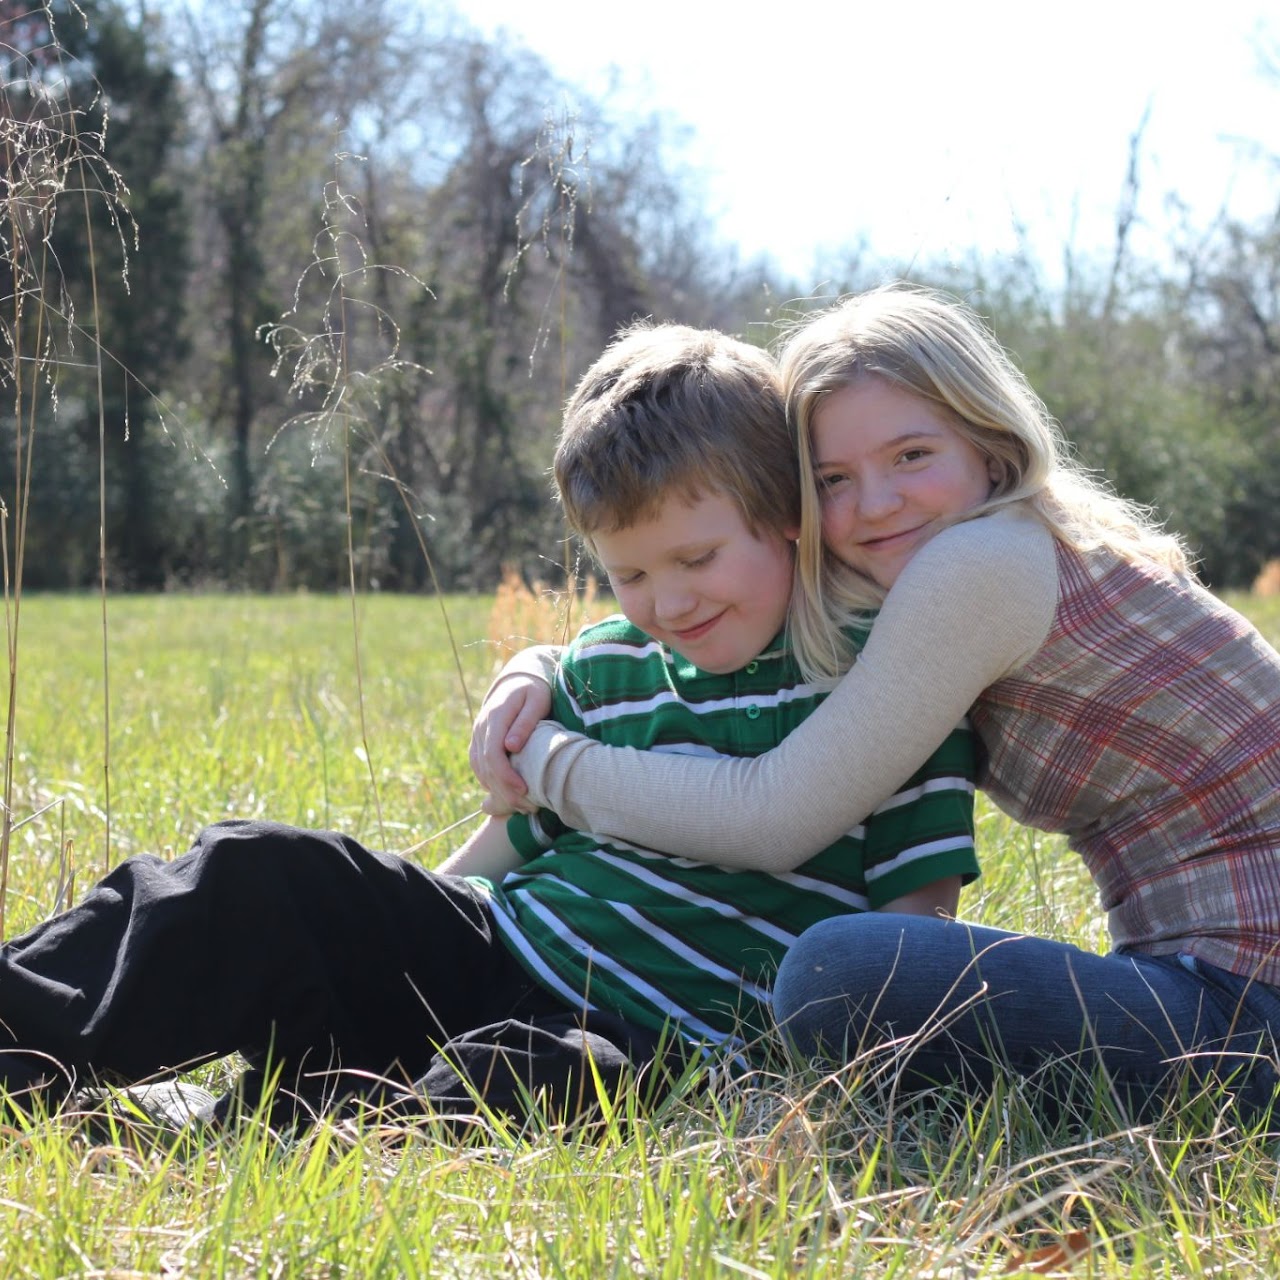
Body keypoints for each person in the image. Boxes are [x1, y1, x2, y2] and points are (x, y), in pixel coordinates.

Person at [0, 320, 977, 1130]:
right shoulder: (605, 664)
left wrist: (825, 1091)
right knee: (258, 870)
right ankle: (25, 1033)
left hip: (652, 1032)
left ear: (785, 515)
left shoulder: (881, 684)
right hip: (498, 938)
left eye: (696, 556)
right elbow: (511, 836)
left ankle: (288, 1128)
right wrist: (387, 929)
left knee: (529, 1080)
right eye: (629, 573)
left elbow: (913, 921)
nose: (667, 600)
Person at [473, 283, 1280, 1122]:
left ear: (990, 445)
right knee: (855, 973)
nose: (874, 503)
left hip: (1248, 1010)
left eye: (911, 456)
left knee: (840, 974)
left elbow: (776, 816)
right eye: (832, 478)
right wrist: (537, 667)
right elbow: (683, 614)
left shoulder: (983, 563)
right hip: (1201, 991)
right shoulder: (968, 553)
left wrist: (544, 761)